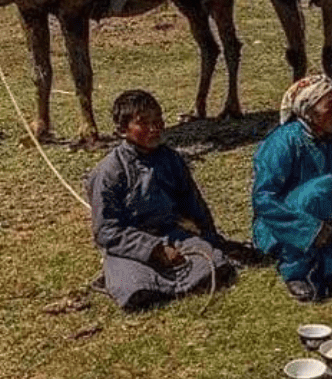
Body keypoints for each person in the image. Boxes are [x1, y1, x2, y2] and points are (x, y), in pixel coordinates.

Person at [86, 89, 235, 309]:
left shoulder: (171, 159)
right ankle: (124, 279)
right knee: (136, 289)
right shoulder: (109, 171)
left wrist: (210, 238)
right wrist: (154, 249)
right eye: (143, 123)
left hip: (172, 236)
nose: (154, 128)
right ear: (122, 130)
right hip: (131, 246)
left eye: (158, 121)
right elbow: (106, 231)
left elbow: (193, 204)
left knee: (217, 265)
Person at [251, 75, 332, 301]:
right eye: (330, 107)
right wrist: (311, 229)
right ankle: (295, 271)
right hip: (280, 227)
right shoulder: (282, 142)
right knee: (317, 191)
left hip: (327, 223)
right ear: (308, 111)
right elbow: (263, 199)